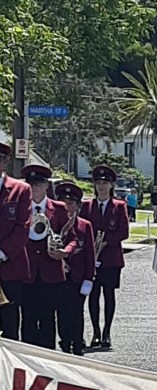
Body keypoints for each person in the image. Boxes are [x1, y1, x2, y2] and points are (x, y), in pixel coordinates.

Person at [20, 165, 76, 349]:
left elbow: (73, 237)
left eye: (39, 183)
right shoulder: (21, 206)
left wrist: (65, 251)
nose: (35, 187)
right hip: (27, 272)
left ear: (46, 185)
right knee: (28, 318)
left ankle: (47, 358)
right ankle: (28, 358)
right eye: (31, 183)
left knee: (48, 318)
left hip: (51, 272)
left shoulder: (58, 208)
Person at [80, 165, 130, 349]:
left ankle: (107, 331)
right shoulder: (87, 206)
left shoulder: (119, 206)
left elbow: (124, 232)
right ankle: (95, 331)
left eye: (105, 183)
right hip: (91, 258)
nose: (101, 186)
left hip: (111, 259)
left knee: (109, 295)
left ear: (111, 185)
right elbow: (81, 228)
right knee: (93, 295)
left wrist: (106, 242)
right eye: (98, 183)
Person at [55, 181, 95, 356]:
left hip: (78, 277)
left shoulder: (84, 225)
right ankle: (64, 342)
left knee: (76, 311)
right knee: (61, 312)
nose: (66, 207)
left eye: (70, 203)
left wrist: (89, 278)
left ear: (78, 206)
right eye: (63, 203)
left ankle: (78, 343)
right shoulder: (54, 224)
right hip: (58, 277)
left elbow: (90, 255)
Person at [0, 142, 31, 340]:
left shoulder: (21, 189)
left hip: (10, 266)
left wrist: (2, 253)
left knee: (10, 325)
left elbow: (23, 226)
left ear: (6, 162)